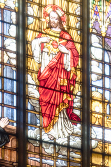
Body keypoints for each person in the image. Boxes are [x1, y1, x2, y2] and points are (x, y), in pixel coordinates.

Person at [32, 5, 81, 144]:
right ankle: (49, 129)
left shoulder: (66, 36)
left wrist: (65, 51)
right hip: (46, 72)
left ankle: (60, 130)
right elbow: (36, 53)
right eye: (51, 18)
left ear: (60, 20)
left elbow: (74, 55)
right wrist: (40, 41)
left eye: (55, 18)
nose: (53, 20)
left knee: (58, 99)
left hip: (60, 74)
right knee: (46, 99)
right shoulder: (44, 33)